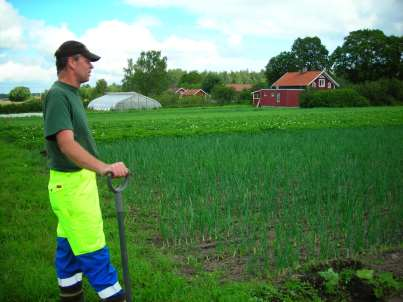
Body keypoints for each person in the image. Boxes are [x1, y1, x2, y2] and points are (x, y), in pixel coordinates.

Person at [43, 40, 129, 302]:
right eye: (86, 60)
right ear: (71, 61)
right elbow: (66, 144)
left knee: (69, 251)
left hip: (74, 184)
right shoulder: (58, 94)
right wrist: (104, 167)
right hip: (71, 189)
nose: (91, 65)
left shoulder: (70, 94)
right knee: (94, 250)